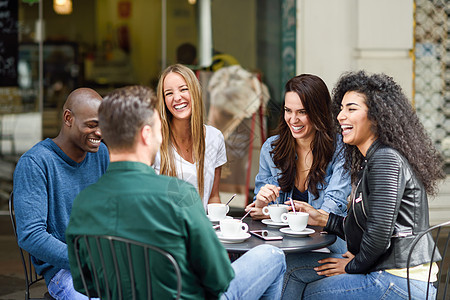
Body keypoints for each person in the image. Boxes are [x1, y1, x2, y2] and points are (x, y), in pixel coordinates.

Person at [65, 85, 286, 299]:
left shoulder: (84, 202)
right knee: (272, 255)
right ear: (146, 134)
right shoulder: (179, 194)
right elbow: (219, 278)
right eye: (159, 130)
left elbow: (87, 285)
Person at [282, 71, 445, 299]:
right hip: (386, 270)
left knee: (309, 292)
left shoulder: (386, 160)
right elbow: (365, 226)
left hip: (400, 281)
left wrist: (351, 266)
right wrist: (323, 219)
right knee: (292, 266)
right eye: (341, 108)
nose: (340, 116)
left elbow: (378, 236)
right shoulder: (372, 160)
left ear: (376, 117)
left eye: (351, 109)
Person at [13, 88, 109, 300]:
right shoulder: (36, 163)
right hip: (64, 270)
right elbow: (30, 235)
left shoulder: (101, 154)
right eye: (92, 124)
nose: (100, 133)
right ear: (68, 118)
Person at [246, 74, 351, 253]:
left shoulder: (341, 149)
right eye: (288, 110)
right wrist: (262, 204)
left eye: (302, 112)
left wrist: (276, 213)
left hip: (327, 246)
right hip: (283, 245)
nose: (293, 120)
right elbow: (261, 211)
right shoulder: (271, 148)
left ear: (319, 112)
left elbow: (329, 211)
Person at [153, 64, 226, 210]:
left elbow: (213, 197)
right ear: (163, 100)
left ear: (195, 91)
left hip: (201, 229)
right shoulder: (154, 141)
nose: (177, 98)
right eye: (169, 93)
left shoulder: (215, 137)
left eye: (183, 89)